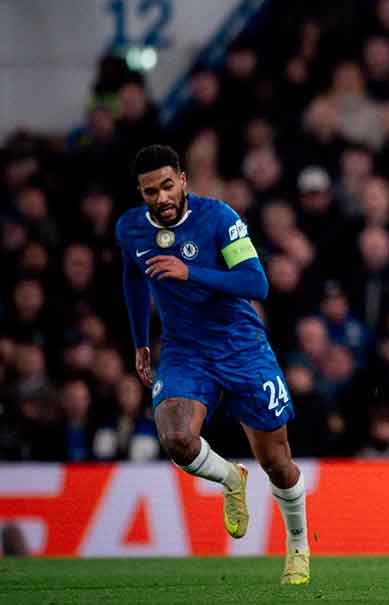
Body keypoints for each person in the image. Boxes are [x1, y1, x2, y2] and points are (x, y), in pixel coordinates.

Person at [116, 145, 310, 584]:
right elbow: (132, 275)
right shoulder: (130, 228)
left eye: (168, 185)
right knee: (177, 439)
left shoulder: (219, 218)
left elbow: (256, 282)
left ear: (183, 180)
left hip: (241, 347)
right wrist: (139, 340)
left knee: (277, 462)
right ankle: (229, 477)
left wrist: (190, 272)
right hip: (185, 350)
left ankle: (298, 545)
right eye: (151, 191)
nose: (161, 197)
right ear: (141, 193)